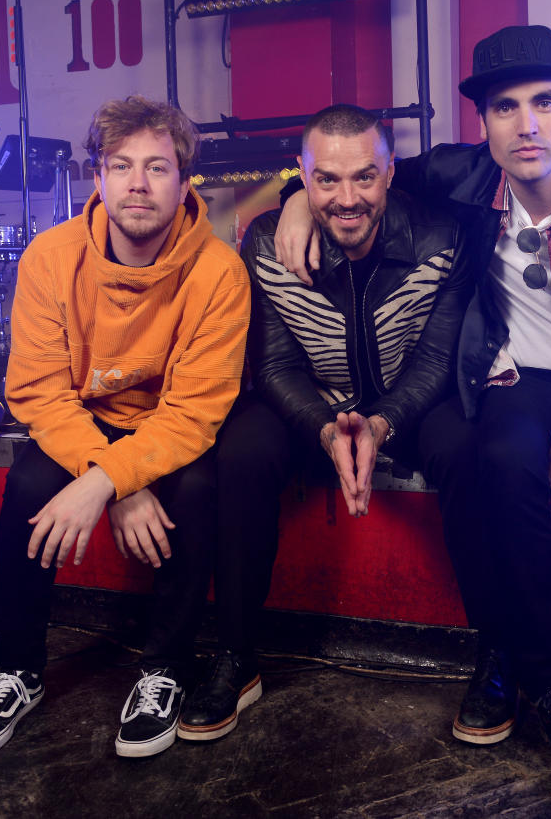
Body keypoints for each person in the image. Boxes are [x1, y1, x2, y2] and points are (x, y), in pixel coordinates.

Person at [275, 26, 551, 784]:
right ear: (484, 124)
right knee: (500, 456)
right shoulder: (459, 176)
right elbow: (354, 174)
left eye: (545, 102)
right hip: (523, 380)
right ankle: (550, 684)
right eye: (506, 107)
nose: (527, 124)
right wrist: (293, 203)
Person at [0, 96, 251, 759]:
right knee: (28, 487)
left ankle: (164, 669)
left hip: (169, 429)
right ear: (98, 176)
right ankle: (17, 668)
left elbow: (195, 412)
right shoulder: (51, 258)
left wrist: (107, 482)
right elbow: (37, 390)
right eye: (121, 166)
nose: (137, 184)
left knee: (197, 489)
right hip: (81, 423)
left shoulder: (219, 272)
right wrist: (114, 479)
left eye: (157, 167)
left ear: (184, 181)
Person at [174, 104, 467, 742]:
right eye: (326, 181)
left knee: (471, 446)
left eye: (364, 177)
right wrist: (327, 429)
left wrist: (384, 422)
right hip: (313, 405)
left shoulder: (441, 236)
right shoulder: (265, 241)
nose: (347, 198)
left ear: (391, 173)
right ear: (302, 177)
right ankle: (237, 658)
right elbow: (275, 366)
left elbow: (440, 359)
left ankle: (501, 661)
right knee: (241, 451)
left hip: (407, 402)